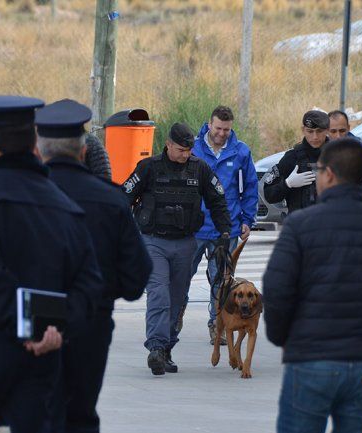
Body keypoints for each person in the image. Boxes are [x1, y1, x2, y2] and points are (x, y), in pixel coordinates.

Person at [0, 96, 103, 433]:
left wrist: (24, 326)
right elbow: (89, 282)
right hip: (44, 350)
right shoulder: (63, 202)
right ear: (34, 143)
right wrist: (52, 327)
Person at [263, 138, 362, 433]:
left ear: (328, 174)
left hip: (310, 357)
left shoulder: (300, 225)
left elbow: (277, 289)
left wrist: (283, 338)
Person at [36, 98, 152, 433]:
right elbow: (136, 277)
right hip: (91, 323)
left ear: (41, 150)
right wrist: (102, 290)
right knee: (80, 415)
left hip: (31, 322)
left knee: (34, 411)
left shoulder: (25, 193)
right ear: (84, 151)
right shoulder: (110, 198)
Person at [123, 122, 231, 376]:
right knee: (159, 293)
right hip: (153, 242)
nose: (186, 155)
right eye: (181, 150)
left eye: (189, 150)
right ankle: (157, 348)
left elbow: (217, 201)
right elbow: (124, 197)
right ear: (169, 144)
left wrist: (224, 232)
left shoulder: (200, 168)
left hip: (185, 243)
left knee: (177, 298)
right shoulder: (149, 167)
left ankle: (167, 346)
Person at [186, 105, 258, 346]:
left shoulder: (241, 152)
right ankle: (173, 320)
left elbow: (250, 188)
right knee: (181, 275)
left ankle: (215, 324)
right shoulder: (193, 149)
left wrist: (247, 220)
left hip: (226, 228)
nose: (222, 133)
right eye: (218, 128)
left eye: (227, 129)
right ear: (209, 125)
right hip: (195, 228)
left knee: (222, 281)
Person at [263, 110, 329, 214]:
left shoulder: (337, 157)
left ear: (327, 130)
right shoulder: (292, 157)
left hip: (330, 225)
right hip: (299, 225)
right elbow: (269, 195)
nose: (315, 137)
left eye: (319, 131)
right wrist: (287, 184)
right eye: (310, 131)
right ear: (303, 130)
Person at [327, 110, 362, 208]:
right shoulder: (320, 151)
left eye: (342, 131)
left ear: (348, 128)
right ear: (326, 130)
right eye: (333, 131)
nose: (338, 136)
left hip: (359, 211)